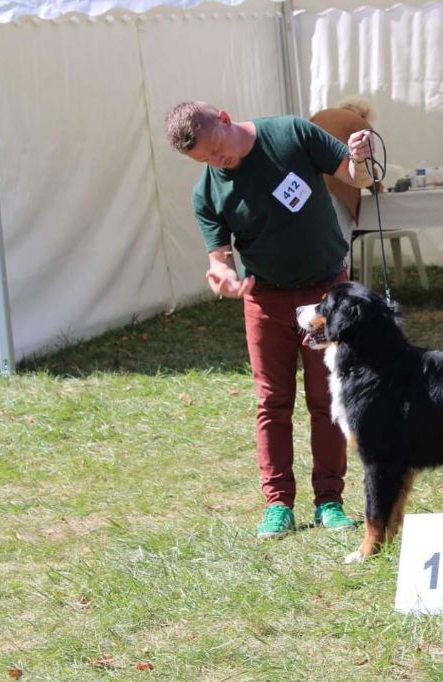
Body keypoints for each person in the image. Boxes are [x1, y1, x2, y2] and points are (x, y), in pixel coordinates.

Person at [164, 102, 375, 538]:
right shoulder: (208, 191)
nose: (217, 162)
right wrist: (222, 276)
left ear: (224, 119)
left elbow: (358, 178)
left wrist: (359, 159)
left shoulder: (292, 134)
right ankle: (278, 503)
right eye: (204, 160)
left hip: (325, 294)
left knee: (326, 398)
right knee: (272, 403)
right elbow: (219, 257)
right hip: (265, 300)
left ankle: (330, 501)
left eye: (216, 149)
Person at [310, 98, 376, 251]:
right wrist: (377, 188)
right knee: (341, 238)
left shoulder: (320, 116)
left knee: (318, 238)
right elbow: (367, 166)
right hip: (339, 184)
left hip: (312, 182)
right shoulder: (359, 123)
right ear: (363, 114)